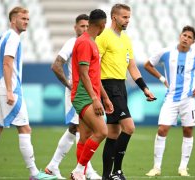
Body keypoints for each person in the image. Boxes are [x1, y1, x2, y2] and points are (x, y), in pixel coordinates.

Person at [0, 7, 56, 180]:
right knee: (25, 128)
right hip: (7, 89)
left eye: (28, 19)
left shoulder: (3, 36)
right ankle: (33, 174)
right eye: (22, 18)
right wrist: (9, 91)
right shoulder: (13, 38)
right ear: (13, 20)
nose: (26, 22)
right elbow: (7, 64)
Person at [95, 4, 156, 180]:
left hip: (120, 86)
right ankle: (117, 171)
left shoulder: (126, 39)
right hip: (108, 86)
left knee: (113, 133)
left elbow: (133, 67)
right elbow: (95, 66)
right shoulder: (103, 37)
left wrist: (144, 88)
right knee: (129, 127)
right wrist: (100, 93)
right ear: (114, 17)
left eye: (129, 17)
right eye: (124, 17)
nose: (127, 20)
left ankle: (106, 176)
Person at [144, 25, 195, 177]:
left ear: (193, 42)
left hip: (189, 100)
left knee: (188, 130)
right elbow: (148, 64)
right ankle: (156, 167)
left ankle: (183, 167)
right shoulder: (167, 52)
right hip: (171, 98)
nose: (186, 39)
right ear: (180, 36)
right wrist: (162, 79)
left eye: (189, 37)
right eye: (184, 35)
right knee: (162, 129)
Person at [45, 14, 101, 180]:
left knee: (75, 130)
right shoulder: (73, 43)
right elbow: (56, 65)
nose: (84, 29)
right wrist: (70, 85)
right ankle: (86, 171)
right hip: (78, 94)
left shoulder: (89, 43)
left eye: (86, 26)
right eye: (81, 26)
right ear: (75, 27)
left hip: (86, 93)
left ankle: (53, 166)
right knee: (80, 131)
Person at [70, 9, 114, 180]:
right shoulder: (85, 43)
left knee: (85, 137)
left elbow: (95, 76)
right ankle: (79, 170)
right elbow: (83, 74)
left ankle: (79, 172)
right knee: (102, 131)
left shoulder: (91, 42)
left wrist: (105, 97)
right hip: (84, 96)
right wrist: (95, 99)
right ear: (102, 25)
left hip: (90, 95)